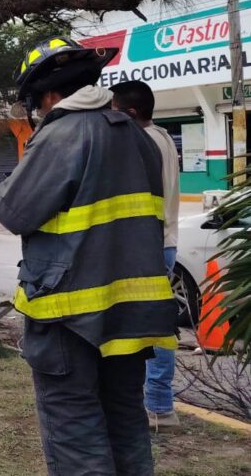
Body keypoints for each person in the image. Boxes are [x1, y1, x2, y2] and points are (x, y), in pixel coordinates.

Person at [0, 37, 179, 475]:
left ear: (49, 94)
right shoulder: (138, 135)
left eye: (36, 104)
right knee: (126, 424)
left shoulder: (62, 134)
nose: (37, 112)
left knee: (76, 432)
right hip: (129, 317)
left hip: (68, 318)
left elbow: (12, 210)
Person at [111, 80, 181, 429]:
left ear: (131, 113)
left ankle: (158, 405)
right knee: (156, 323)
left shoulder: (141, 142)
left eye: (114, 109)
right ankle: (157, 403)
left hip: (148, 244)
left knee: (151, 327)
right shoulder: (164, 137)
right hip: (163, 242)